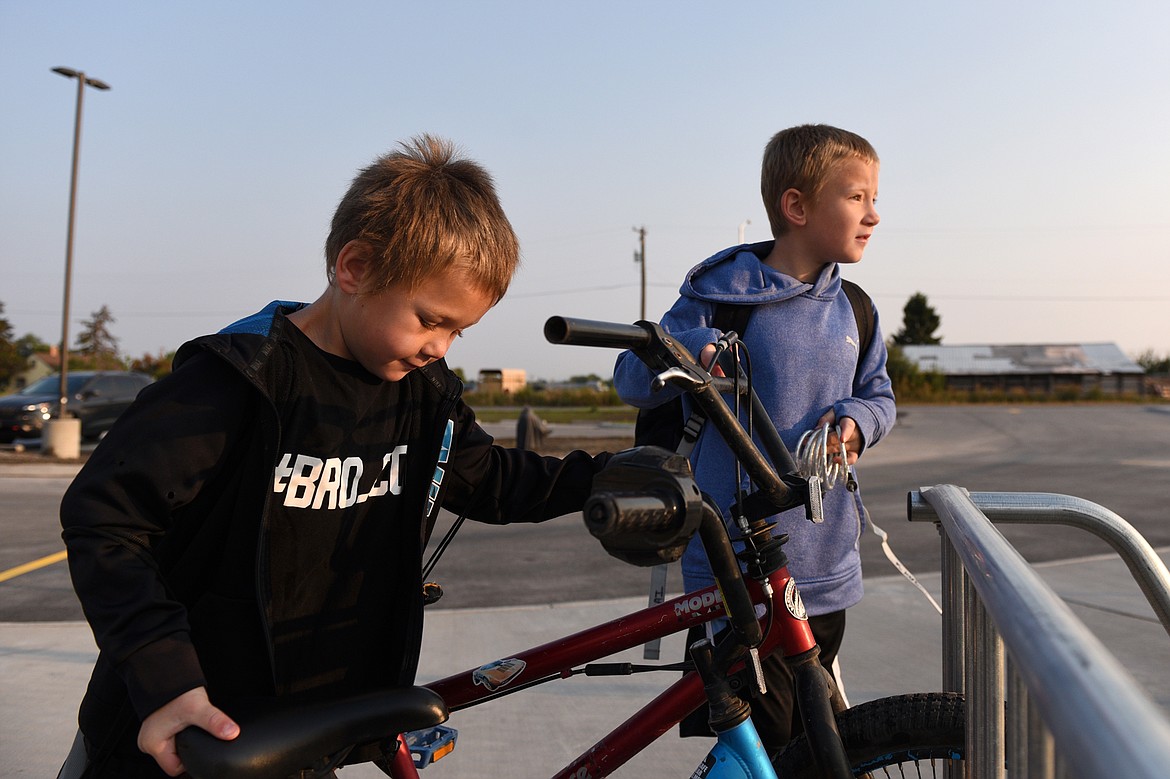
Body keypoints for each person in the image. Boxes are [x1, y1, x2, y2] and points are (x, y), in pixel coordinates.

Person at [58, 135, 610, 778]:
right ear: (356, 268)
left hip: (309, 727)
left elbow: (488, 478)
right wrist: (163, 677)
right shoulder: (239, 381)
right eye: (431, 319)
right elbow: (106, 519)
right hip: (182, 737)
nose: (442, 347)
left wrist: (607, 475)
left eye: (459, 331)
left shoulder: (423, 394)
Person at [612, 123, 895, 756]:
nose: (875, 214)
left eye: (875, 197)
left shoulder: (856, 307)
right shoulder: (718, 298)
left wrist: (855, 421)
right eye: (857, 197)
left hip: (825, 565)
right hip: (735, 566)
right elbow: (632, 378)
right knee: (760, 747)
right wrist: (690, 354)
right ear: (796, 207)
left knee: (814, 739)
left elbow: (880, 397)